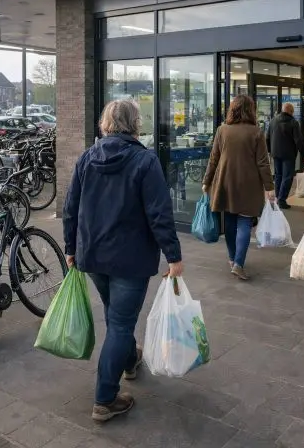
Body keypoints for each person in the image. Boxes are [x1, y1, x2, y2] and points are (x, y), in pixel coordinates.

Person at [63, 99, 183, 422]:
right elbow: (160, 213)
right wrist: (173, 256)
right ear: (134, 124)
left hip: (93, 255)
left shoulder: (88, 158)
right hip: (130, 259)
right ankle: (104, 399)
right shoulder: (145, 161)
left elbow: (70, 207)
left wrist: (70, 247)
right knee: (120, 322)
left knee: (117, 316)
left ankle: (130, 361)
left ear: (105, 123)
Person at [203, 95, 275, 280]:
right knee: (244, 223)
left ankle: (232, 258)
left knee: (229, 223)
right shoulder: (256, 132)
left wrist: (206, 180)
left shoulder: (222, 130)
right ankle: (238, 263)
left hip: (225, 182)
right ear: (251, 110)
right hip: (249, 185)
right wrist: (269, 187)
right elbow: (263, 163)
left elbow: (214, 158)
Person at [267, 102, 304, 209]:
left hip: (275, 153)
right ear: (290, 111)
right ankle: (282, 199)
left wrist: (269, 151)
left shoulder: (273, 121)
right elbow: (298, 141)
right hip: (289, 154)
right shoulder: (293, 123)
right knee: (287, 177)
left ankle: (278, 198)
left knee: (278, 176)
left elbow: (267, 138)